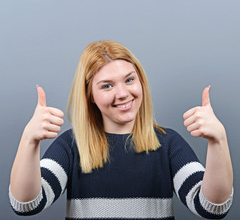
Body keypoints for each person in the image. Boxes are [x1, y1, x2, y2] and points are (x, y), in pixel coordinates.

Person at [9, 40, 233, 219]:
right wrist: (29, 140)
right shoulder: (71, 146)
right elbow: (28, 205)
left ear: (141, 82)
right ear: (90, 96)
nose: (123, 93)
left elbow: (210, 207)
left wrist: (218, 141)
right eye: (107, 85)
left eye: (129, 80)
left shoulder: (168, 144)